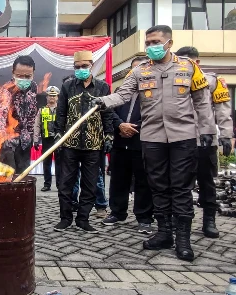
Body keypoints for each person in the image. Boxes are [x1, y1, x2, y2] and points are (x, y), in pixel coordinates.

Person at [93, 25, 215, 262]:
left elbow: (201, 102)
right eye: (148, 43)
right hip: (152, 138)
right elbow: (123, 95)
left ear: (169, 43)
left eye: (155, 42)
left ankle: (183, 239)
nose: (151, 47)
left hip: (183, 137)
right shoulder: (140, 71)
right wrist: (102, 101)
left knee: (180, 188)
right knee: (157, 186)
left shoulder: (189, 67)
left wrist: (208, 131)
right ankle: (163, 233)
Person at [175, 46, 233, 238]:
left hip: (207, 141)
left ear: (197, 62)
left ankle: (209, 220)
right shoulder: (174, 80)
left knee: (207, 182)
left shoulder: (213, 81)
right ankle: (182, 221)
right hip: (181, 139)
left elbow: (223, 110)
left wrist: (226, 134)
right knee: (180, 183)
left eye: (188, 61)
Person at [53, 50, 113, 234]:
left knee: (90, 184)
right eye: (77, 67)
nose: (81, 69)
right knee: (66, 183)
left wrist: (109, 135)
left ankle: (83, 219)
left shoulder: (103, 87)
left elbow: (108, 113)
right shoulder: (68, 86)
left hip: (94, 144)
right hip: (70, 143)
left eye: (84, 66)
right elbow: (61, 112)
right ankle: (65, 218)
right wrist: (58, 133)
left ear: (92, 65)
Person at [101, 56, 154, 234]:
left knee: (143, 181)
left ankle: (144, 218)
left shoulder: (152, 91)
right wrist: (120, 125)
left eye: (141, 68)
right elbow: (110, 111)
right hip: (120, 141)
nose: (137, 72)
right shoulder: (120, 91)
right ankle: (117, 212)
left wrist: (135, 126)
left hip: (142, 141)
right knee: (118, 179)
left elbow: (155, 114)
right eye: (133, 69)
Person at [0, 55, 39, 172]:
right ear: (13, 72)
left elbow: (32, 113)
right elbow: (0, 118)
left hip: (25, 143)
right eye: (19, 76)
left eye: (28, 76)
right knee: (6, 179)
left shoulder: (33, 87)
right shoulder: (6, 90)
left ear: (33, 73)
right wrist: (4, 142)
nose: (24, 79)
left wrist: (32, 136)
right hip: (8, 143)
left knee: (22, 178)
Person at [34, 86, 59, 191]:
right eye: (50, 95)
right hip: (46, 140)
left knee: (60, 163)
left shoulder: (61, 110)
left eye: (54, 96)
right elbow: (37, 125)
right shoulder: (42, 110)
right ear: (46, 97)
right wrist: (35, 140)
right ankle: (47, 184)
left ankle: (60, 184)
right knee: (47, 163)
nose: (52, 98)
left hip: (59, 140)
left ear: (57, 97)